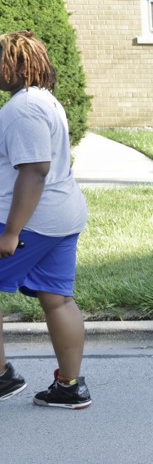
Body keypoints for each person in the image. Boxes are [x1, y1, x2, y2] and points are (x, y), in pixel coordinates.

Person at [0, 31, 91, 409]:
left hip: (30, 222)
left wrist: (11, 232)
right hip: (61, 216)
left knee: (57, 300)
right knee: (57, 300)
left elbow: (35, 171)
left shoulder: (22, 108)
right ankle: (70, 387)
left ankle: (2, 378)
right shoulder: (45, 101)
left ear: (17, 66)